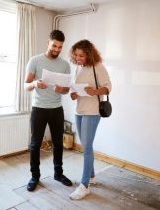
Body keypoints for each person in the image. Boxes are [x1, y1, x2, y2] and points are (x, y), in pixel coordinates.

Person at [24, 30, 73, 192]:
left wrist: (62, 90)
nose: (57, 49)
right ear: (48, 42)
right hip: (39, 109)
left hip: (56, 109)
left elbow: (67, 90)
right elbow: (26, 85)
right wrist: (35, 84)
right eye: (54, 46)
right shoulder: (35, 61)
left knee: (58, 143)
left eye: (60, 47)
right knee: (35, 144)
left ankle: (58, 174)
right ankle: (35, 176)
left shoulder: (65, 65)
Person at [69, 39, 112, 200]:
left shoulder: (98, 67)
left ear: (89, 54)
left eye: (81, 55)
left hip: (92, 111)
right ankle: (92, 175)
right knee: (85, 146)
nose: (78, 58)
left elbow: (108, 87)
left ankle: (84, 185)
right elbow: (76, 90)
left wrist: (95, 91)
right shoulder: (78, 68)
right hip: (79, 110)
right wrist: (73, 94)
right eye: (76, 55)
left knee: (86, 148)